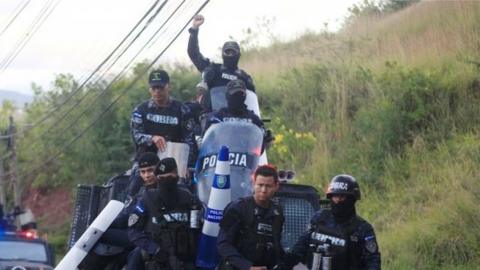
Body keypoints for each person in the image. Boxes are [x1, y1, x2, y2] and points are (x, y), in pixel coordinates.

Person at [79, 152, 161, 270]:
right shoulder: (140, 188)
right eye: (143, 172)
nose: (147, 175)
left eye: (150, 170)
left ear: (158, 168)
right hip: (134, 233)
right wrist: (102, 223)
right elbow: (128, 215)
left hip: (148, 236)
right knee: (95, 233)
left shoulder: (164, 188)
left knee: (102, 236)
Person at [283, 174, 381, 270]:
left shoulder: (362, 229)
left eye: (342, 197)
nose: (337, 200)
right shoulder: (319, 218)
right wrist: (282, 264)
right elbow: (300, 248)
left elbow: (373, 262)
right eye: (335, 196)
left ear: (352, 199)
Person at [128, 69, 196, 195]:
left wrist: (185, 164)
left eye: (160, 87)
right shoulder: (140, 110)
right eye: (154, 88)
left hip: (174, 161)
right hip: (146, 162)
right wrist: (152, 138)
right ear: (150, 89)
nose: (157, 91)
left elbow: (189, 140)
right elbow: (136, 135)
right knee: (133, 187)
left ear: (168, 87)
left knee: (187, 188)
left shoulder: (182, 110)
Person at [127, 158, 202, 270]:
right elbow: (133, 231)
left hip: (184, 259)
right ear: (158, 179)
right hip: (157, 258)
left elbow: (196, 229)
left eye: (170, 177)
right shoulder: (147, 198)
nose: (166, 181)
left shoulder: (189, 199)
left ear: (176, 176)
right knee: (135, 257)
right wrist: (154, 249)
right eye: (162, 178)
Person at [217, 164, 284, 270]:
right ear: (253, 184)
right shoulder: (238, 208)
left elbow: (276, 246)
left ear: (276, 186)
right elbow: (223, 244)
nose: (263, 190)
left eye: (268, 186)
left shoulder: (277, 213)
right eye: (260, 185)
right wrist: (247, 267)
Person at [188, 14, 255, 112]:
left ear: (238, 54)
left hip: (237, 119)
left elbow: (252, 103)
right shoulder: (213, 69)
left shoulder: (244, 77)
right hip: (212, 118)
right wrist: (194, 29)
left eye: (233, 52)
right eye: (227, 51)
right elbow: (193, 53)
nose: (230, 54)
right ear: (222, 54)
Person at [204, 80, 273, 151]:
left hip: (247, 158)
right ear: (227, 96)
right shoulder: (218, 116)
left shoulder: (253, 119)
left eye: (240, 95)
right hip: (220, 157)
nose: (237, 97)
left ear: (245, 96)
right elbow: (206, 140)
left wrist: (267, 139)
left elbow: (263, 144)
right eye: (234, 95)